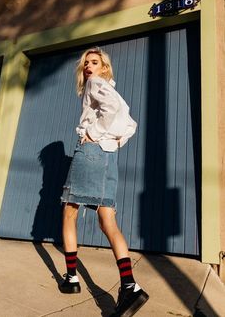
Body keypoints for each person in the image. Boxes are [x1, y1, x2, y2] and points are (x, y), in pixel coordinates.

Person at [60, 47, 149, 317]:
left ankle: (72, 279)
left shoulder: (95, 84)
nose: (88, 67)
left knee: (69, 213)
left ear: (104, 68)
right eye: (86, 63)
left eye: (94, 62)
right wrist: (113, 142)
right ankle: (129, 286)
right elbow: (130, 124)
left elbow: (110, 113)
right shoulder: (112, 91)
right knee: (108, 222)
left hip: (90, 154)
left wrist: (94, 134)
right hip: (108, 158)